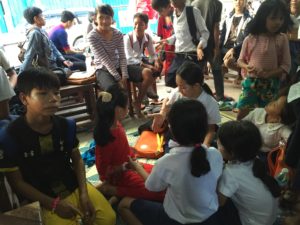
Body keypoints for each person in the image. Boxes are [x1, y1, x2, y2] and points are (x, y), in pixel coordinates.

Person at [0, 68, 115, 225]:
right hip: (39, 195)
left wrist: (84, 193)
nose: (53, 99)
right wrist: (52, 204)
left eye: (56, 92)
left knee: (108, 218)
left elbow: (77, 160)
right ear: (24, 98)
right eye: (43, 94)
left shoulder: (66, 126)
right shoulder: (10, 137)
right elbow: (17, 183)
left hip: (71, 185)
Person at [118, 99, 223, 225]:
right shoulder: (215, 154)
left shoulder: (167, 162)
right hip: (210, 217)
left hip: (176, 219)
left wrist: (136, 167)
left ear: (172, 130)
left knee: (124, 204)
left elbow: (152, 187)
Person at [93, 85, 165, 203]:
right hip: (118, 175)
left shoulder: (117, 125)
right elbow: (104, 170)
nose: (128, 108)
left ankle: (119, 193)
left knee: (160, 174)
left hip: (128, 166)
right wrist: (125, 167)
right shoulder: (108, 136)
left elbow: (123, 151)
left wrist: (133, 162)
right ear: (119, 110)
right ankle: (113, 190)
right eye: (127, 106)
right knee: (157, 192)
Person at [217, 120, 281, 225]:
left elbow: (219, 202)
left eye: (219, 143)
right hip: (269, 219)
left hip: (252, 222)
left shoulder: (231, 173)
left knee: (210, 208)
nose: (217, 145)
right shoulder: (256, 160)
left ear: (232, 152)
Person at [236, 0, 291, 120]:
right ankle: (236, 133)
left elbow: (286, 65)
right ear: (263, 17)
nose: (278, 22)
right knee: (243, 110)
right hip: (251, 82)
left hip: (271, 84)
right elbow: (240, 60)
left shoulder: (282, 39)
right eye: (273, 18)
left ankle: (259, 136)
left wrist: (269, 74)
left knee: (266, 114)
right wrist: (247, 67)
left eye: (281, 19)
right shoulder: (250, 38)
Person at [151, 61, 221, 147]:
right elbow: (167, 101)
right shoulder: (178, 92)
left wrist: (205, 145)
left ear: (196, 86)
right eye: (178, 85)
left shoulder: (210, 102)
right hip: (180, 135)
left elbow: (211, 129)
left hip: (198, 135)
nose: (179, 90)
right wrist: (162, 113)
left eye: (183, 87)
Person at [159, 0, 210, 88]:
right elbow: (178, 35)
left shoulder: (193, 11)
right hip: (179, 54)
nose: (173, 1)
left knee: (189, 82)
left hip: (192, 55)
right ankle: (183, 97)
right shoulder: (173, 14)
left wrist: (199, 47)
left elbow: (205, 33)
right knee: (170, 79)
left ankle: (192, 98)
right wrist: (167, 41)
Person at [189, 0, 226, 102]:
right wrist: (217, 47)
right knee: (217, 70)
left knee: (197, 71)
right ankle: (219, 96)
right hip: (210, 43)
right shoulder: (217, 4)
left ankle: (196, 96)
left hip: (197, 44)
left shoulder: (194, 3)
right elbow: (216, 27)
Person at [124, 13, 160, 117]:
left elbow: (153, 54)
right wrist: (147, 65)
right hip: (129, 65)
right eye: (135, 24)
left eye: (140, 24)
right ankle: (138, 101)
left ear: (146, 26)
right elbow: (129, 58)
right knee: (148, 72)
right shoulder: (128, 38)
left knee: (158, 66)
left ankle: (146, 87)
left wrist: (156, 60)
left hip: (140, 61)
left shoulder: (147, 37)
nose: (137, 27)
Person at [20, 7, 73, 73]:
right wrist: (20, 75)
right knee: (74, 68)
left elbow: (53, 47)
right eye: (42, 16)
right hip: (48, 70)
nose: (44, 17)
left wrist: (63, 60)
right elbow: (29, 55)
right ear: (36, 19)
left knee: (72, 66)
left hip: (54, 64)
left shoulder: (42, 31)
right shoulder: (35, 33)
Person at [88, 4, 128, 91]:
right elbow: (105, 60)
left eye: (108, 17)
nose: (105, 21)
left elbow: (122, 56)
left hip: (117, 66)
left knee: (142, 74)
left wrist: (124, 76)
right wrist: (118, 78)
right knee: (112, 88)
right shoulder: (92, 36)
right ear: (95, 18)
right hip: (102, 69)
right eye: (101, 17)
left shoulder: (118, 34)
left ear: (112, 18)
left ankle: (137, 102)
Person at [220, 0, 252, 79]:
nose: (238, 2)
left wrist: (234, 49)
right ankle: (223, 68)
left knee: (228, 61)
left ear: (245, 2)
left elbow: (246, 40)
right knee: (211, 58)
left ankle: (241, 71)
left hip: (238, 49)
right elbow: (222, 36)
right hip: (225, 47)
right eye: (235, 0)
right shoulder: (228, 18)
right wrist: (216, 48)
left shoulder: (249, 20)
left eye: (240, 0)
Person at [151, 0, 175, 77]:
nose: (159, 13)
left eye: (160, 10)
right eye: (158, 11)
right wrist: (159, 55)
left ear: (168, 6)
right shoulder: (161, 18)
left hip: (179, 52)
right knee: (169, 79)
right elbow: (161, 37)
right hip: (168, 52)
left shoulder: (177, 15)